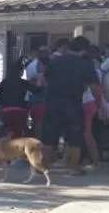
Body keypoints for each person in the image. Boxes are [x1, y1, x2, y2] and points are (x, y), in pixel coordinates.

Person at [42, 36, 104, 175]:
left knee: (49, 136)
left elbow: (45, 80)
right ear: (84, 51)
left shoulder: (55, 61)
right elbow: (95, 88)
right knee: (75, 138)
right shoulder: (85, 65)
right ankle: (73, 168)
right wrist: (99, 105)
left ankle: (44, 166)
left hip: (52, 103)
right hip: (73, 104)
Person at [0, 61, 37, 138]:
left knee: (6, 132)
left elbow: (0, 99)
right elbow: (36, 90)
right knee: (18, 133)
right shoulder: (23, 83)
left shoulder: (4, 82)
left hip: (6, 111)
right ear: (20, 71)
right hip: (20, 111)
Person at [81, 45, 103, 167]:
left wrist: (99, 104)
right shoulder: (94, 71)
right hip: (89, 103)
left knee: (87, 133)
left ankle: (94, 160)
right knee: (83, 132)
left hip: (87, 103)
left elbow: (96, 89)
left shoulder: (91, 72)